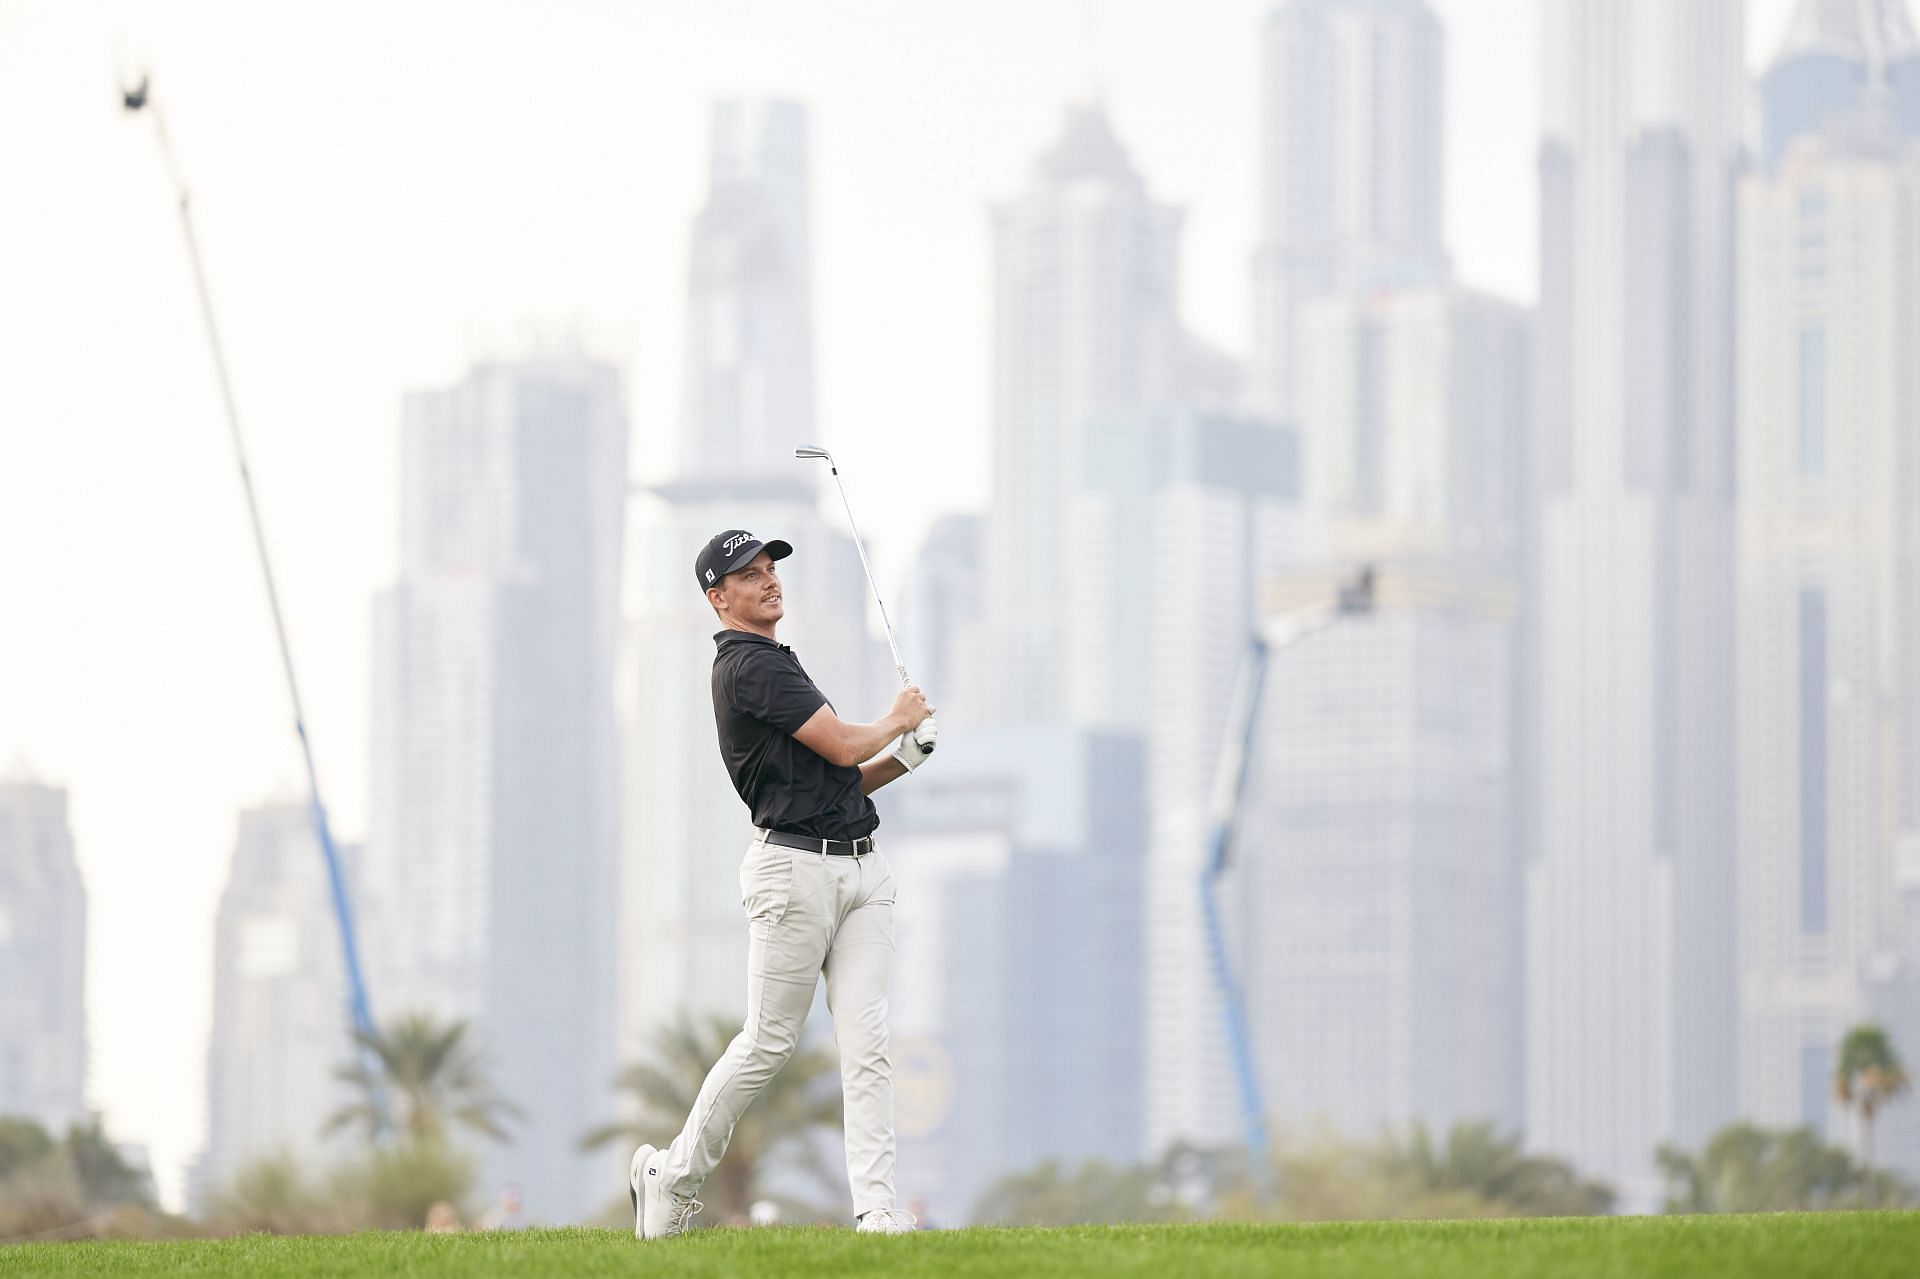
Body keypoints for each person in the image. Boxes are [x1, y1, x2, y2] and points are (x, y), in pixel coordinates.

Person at [630, 529, 934, 1239]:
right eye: (750, 574)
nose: (770, 581)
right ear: (719, 597)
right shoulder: (746, 666)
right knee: (768, 1041)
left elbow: (845, 776)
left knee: (868, 1041)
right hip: (793, 871)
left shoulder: (777, 662)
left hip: (863, 867)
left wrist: (909, 754)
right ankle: (670, 1176)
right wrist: (900, 716)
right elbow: (843, 743)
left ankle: (879, 1211)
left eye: (771, 569)